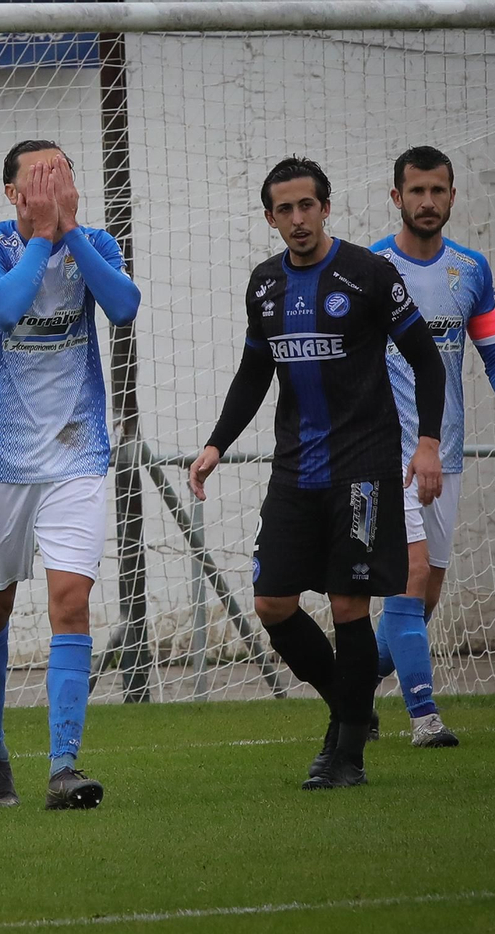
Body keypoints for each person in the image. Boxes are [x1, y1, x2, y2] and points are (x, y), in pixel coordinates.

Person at [189, 157, 446, 790]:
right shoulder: (264, 285)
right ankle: (350, 707)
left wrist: (430, 444)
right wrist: (216, 445)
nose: (298, 219)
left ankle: (347, 758)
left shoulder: (367, 274)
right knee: (272, 602)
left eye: (308, 206)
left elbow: (427, 361)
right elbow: (256, 371)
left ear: (326, 207)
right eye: (285, 209)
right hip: (295, 472)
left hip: (362, 472)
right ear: (270, 217)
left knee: (348, 604)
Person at [0, 141, 141, 809]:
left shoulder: (95, 243)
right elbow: (3, 310)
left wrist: (68, 235)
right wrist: (39, 239)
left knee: (70, 604)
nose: (56, 184)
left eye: (63, 172)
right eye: (41, 177)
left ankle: (64, 766)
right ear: (13, 193)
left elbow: (123, 306)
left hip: (76, 453)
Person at [370, 146, 495, 747]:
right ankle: (425, 716)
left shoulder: (470, 270)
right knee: (409, 574)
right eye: (416, 191)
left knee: (425, 594)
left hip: (447, 451)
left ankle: (353, 690)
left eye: (438, 191)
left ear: (452, 197)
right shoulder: (369, 268)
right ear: (397, 198)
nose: (428, 202)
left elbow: (494, 349)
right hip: (386, 453)